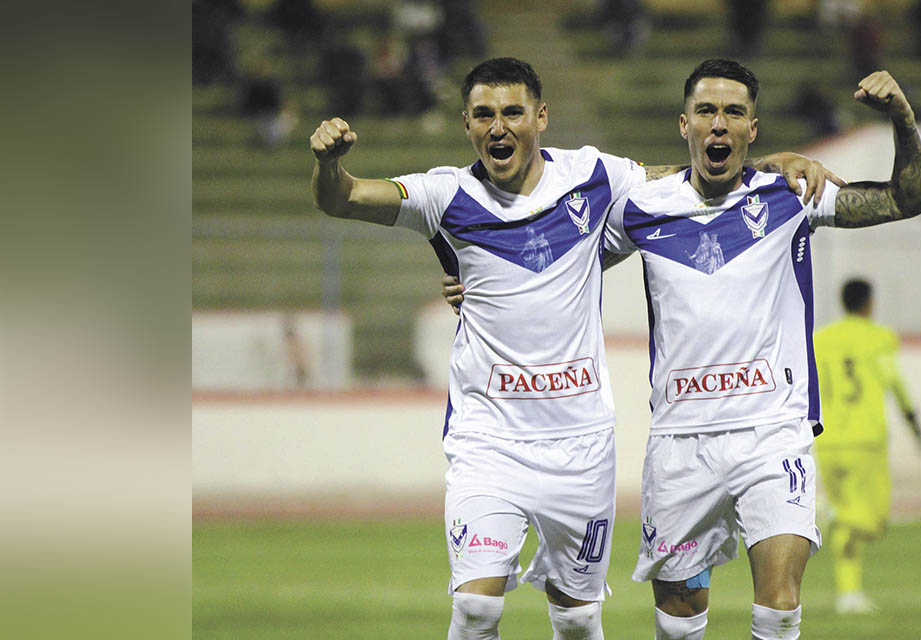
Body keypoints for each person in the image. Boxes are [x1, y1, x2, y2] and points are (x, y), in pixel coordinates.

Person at [311, 57, 836, 640]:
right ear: (466, 124)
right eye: (484, 115)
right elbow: (345, 199)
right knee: (477, 608)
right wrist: (329, 165)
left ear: (541, 117)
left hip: (581, 444)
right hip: (489, 440)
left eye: (512, 112)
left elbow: (685, 175)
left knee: (579, 619)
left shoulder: (593, 177)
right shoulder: (445, 196)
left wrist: (771, 164)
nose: (498, 127)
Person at [446, 59, 921, 639]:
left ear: (753, 128)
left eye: (733, 113)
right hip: (680, 446)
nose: (718, 124)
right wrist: (471, 282)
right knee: (678, 623)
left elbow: (908, 198)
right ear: (684, 125)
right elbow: (551, 261)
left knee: (778, 608)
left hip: (771, 434)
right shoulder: (641, 208)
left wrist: (901, 118)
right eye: (706, 111)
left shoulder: (792, 196)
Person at [812, 279, 921, 615]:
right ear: (869, 303)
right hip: (865, 441)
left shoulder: (821, 339)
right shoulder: (879, 338)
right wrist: (913, 419)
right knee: (874, 521)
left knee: (848, 530)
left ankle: (849, 595)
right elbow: (894, 380)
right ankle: (831, 512)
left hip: (828, 442)